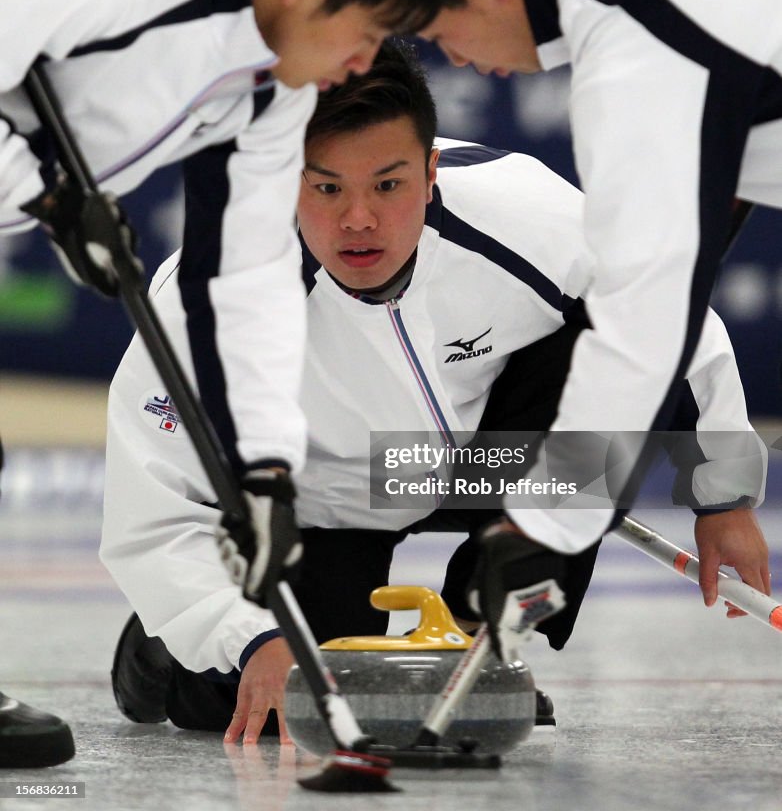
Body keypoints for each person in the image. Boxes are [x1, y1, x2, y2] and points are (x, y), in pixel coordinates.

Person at [101, 41, 768, 745]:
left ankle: (480, 644)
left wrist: (722, 496)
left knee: (606, 375)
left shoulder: (526, 217)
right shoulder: (209, 295)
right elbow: (155, 515)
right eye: (326, 188)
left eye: (388, 185)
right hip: (320, 499)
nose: (358, 219)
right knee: (285, 702)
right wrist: (248, 639)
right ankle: (157, 652)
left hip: (484, 465)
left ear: (430, 171)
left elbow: (667, 318)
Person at [0, 0, 460, 767]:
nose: (365, 62)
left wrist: (263, 476)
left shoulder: (274, 92)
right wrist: (45, 180)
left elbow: (240, 283)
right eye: (367, 32)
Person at [406, 0, 780, 660]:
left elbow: (642, 331)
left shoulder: (636, 72)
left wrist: (538, 525)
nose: (456, 61)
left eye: (439, 31)